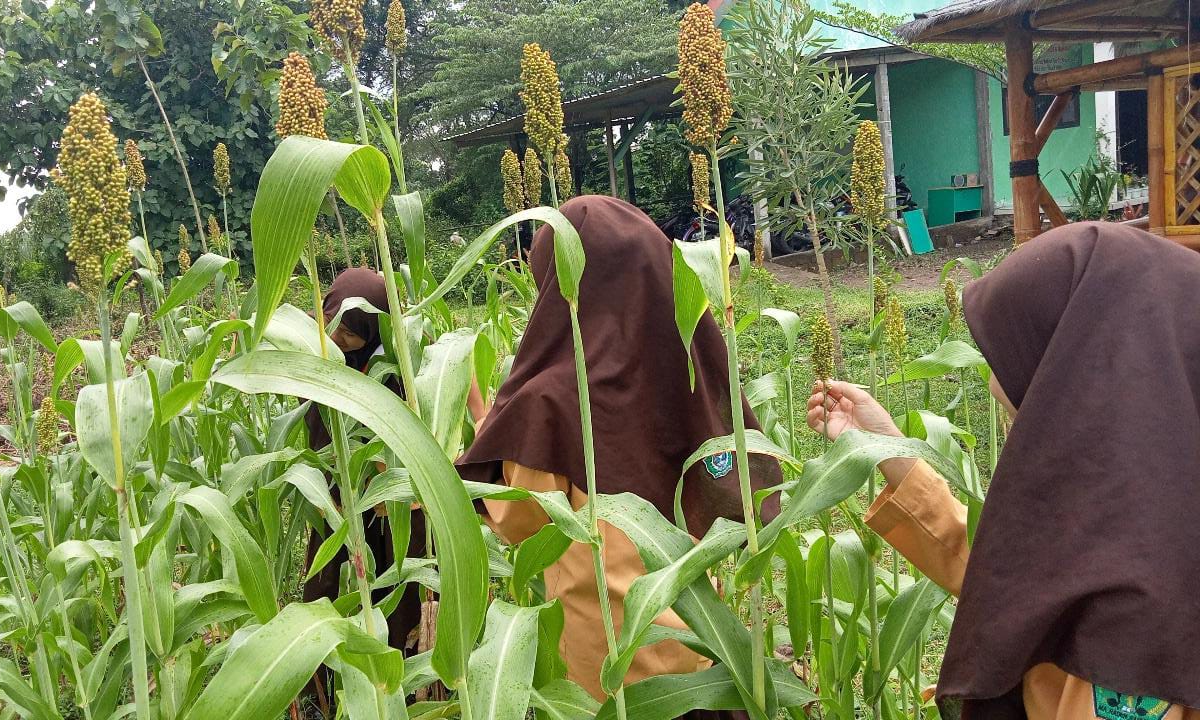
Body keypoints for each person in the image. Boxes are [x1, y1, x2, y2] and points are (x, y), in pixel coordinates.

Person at [805, 222, 1200, 720]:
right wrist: (888, 449)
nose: (993, 375)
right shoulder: (1146, 509)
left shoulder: (1130, 623)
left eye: (1028, 417)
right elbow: (1021, 580)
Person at [457, 195, 783, 699]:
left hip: (607, 670)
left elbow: (519, 521)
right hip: (700, 654)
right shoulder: (685, 370)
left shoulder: (551, 399)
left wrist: (485, 421)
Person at [303, 268, 424, 649]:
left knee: (394, 572)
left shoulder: (398, 356)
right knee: (331, 573)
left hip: (389, 486)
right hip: (336, 482)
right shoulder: (317, 340)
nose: (337, 338)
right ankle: (322, 670)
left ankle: (397, 664)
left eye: (350, 334)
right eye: (333, 325)